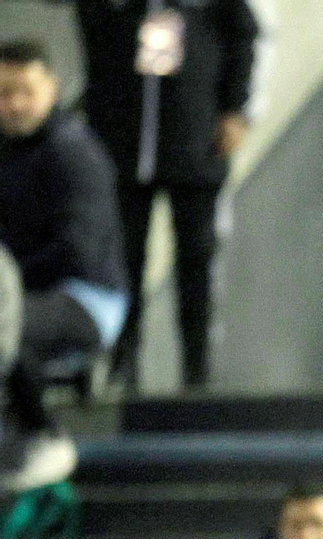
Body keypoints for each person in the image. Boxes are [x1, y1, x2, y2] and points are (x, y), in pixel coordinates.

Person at [72, 0, 261, 389]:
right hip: (123, 145)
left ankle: (197, 371)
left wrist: (235, 109)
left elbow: (244, 34)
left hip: (193, 144)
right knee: (124, 260)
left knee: (196, 260)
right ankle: (123, 365)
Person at [0, 40, 127, 493]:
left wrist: (10, 287)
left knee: (4, 320)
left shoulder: (74, 152)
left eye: (25, 91)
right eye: (3, 93)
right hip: (25, 295)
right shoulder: (7, 153)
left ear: (51, 89)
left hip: (88, 298)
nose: (14, 104)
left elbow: (80, 249)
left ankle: (44, 435)